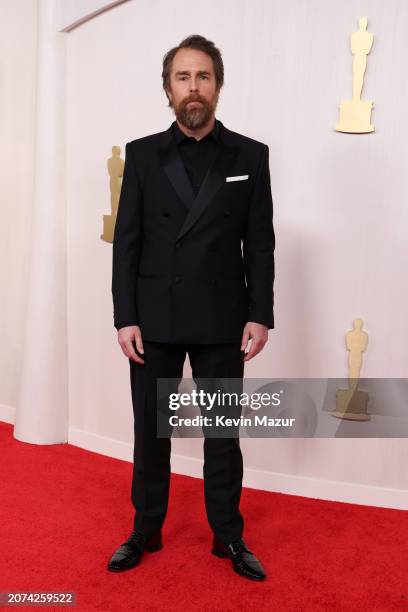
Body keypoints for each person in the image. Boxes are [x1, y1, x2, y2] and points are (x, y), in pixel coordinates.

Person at [107, 34, 275, 581]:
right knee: (150, 429)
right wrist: (124, 316)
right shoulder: (141, 154)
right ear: (168, 89)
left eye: (203, 76)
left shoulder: (251, 155)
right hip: (153, 315)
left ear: (218, 86)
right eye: (183, 77)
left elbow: (261, 242)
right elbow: (127, 242)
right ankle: (145, 528)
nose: (193, 87)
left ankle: (228, 536)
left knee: (222, 432)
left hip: (223, 316)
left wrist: (260, 311)